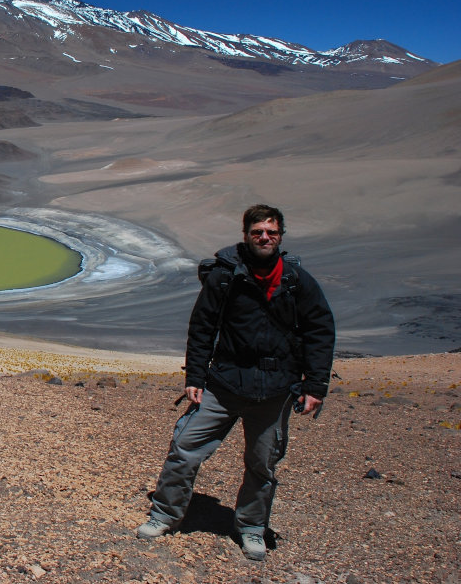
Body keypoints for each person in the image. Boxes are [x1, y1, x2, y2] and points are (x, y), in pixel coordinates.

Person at [136, 204, 335, 561]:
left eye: (271, 232)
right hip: (224, 383)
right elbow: (202, 326)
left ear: (280, 237)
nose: (264, 238)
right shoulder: (225, 277)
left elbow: (320, 331)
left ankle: (251, 528)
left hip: (275, 389)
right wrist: (195, 376)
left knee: (262, 463)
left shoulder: (296, 281)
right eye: (258, 231)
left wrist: (315, 386)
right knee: (185, 448)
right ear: (245, 235)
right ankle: (165, 515)